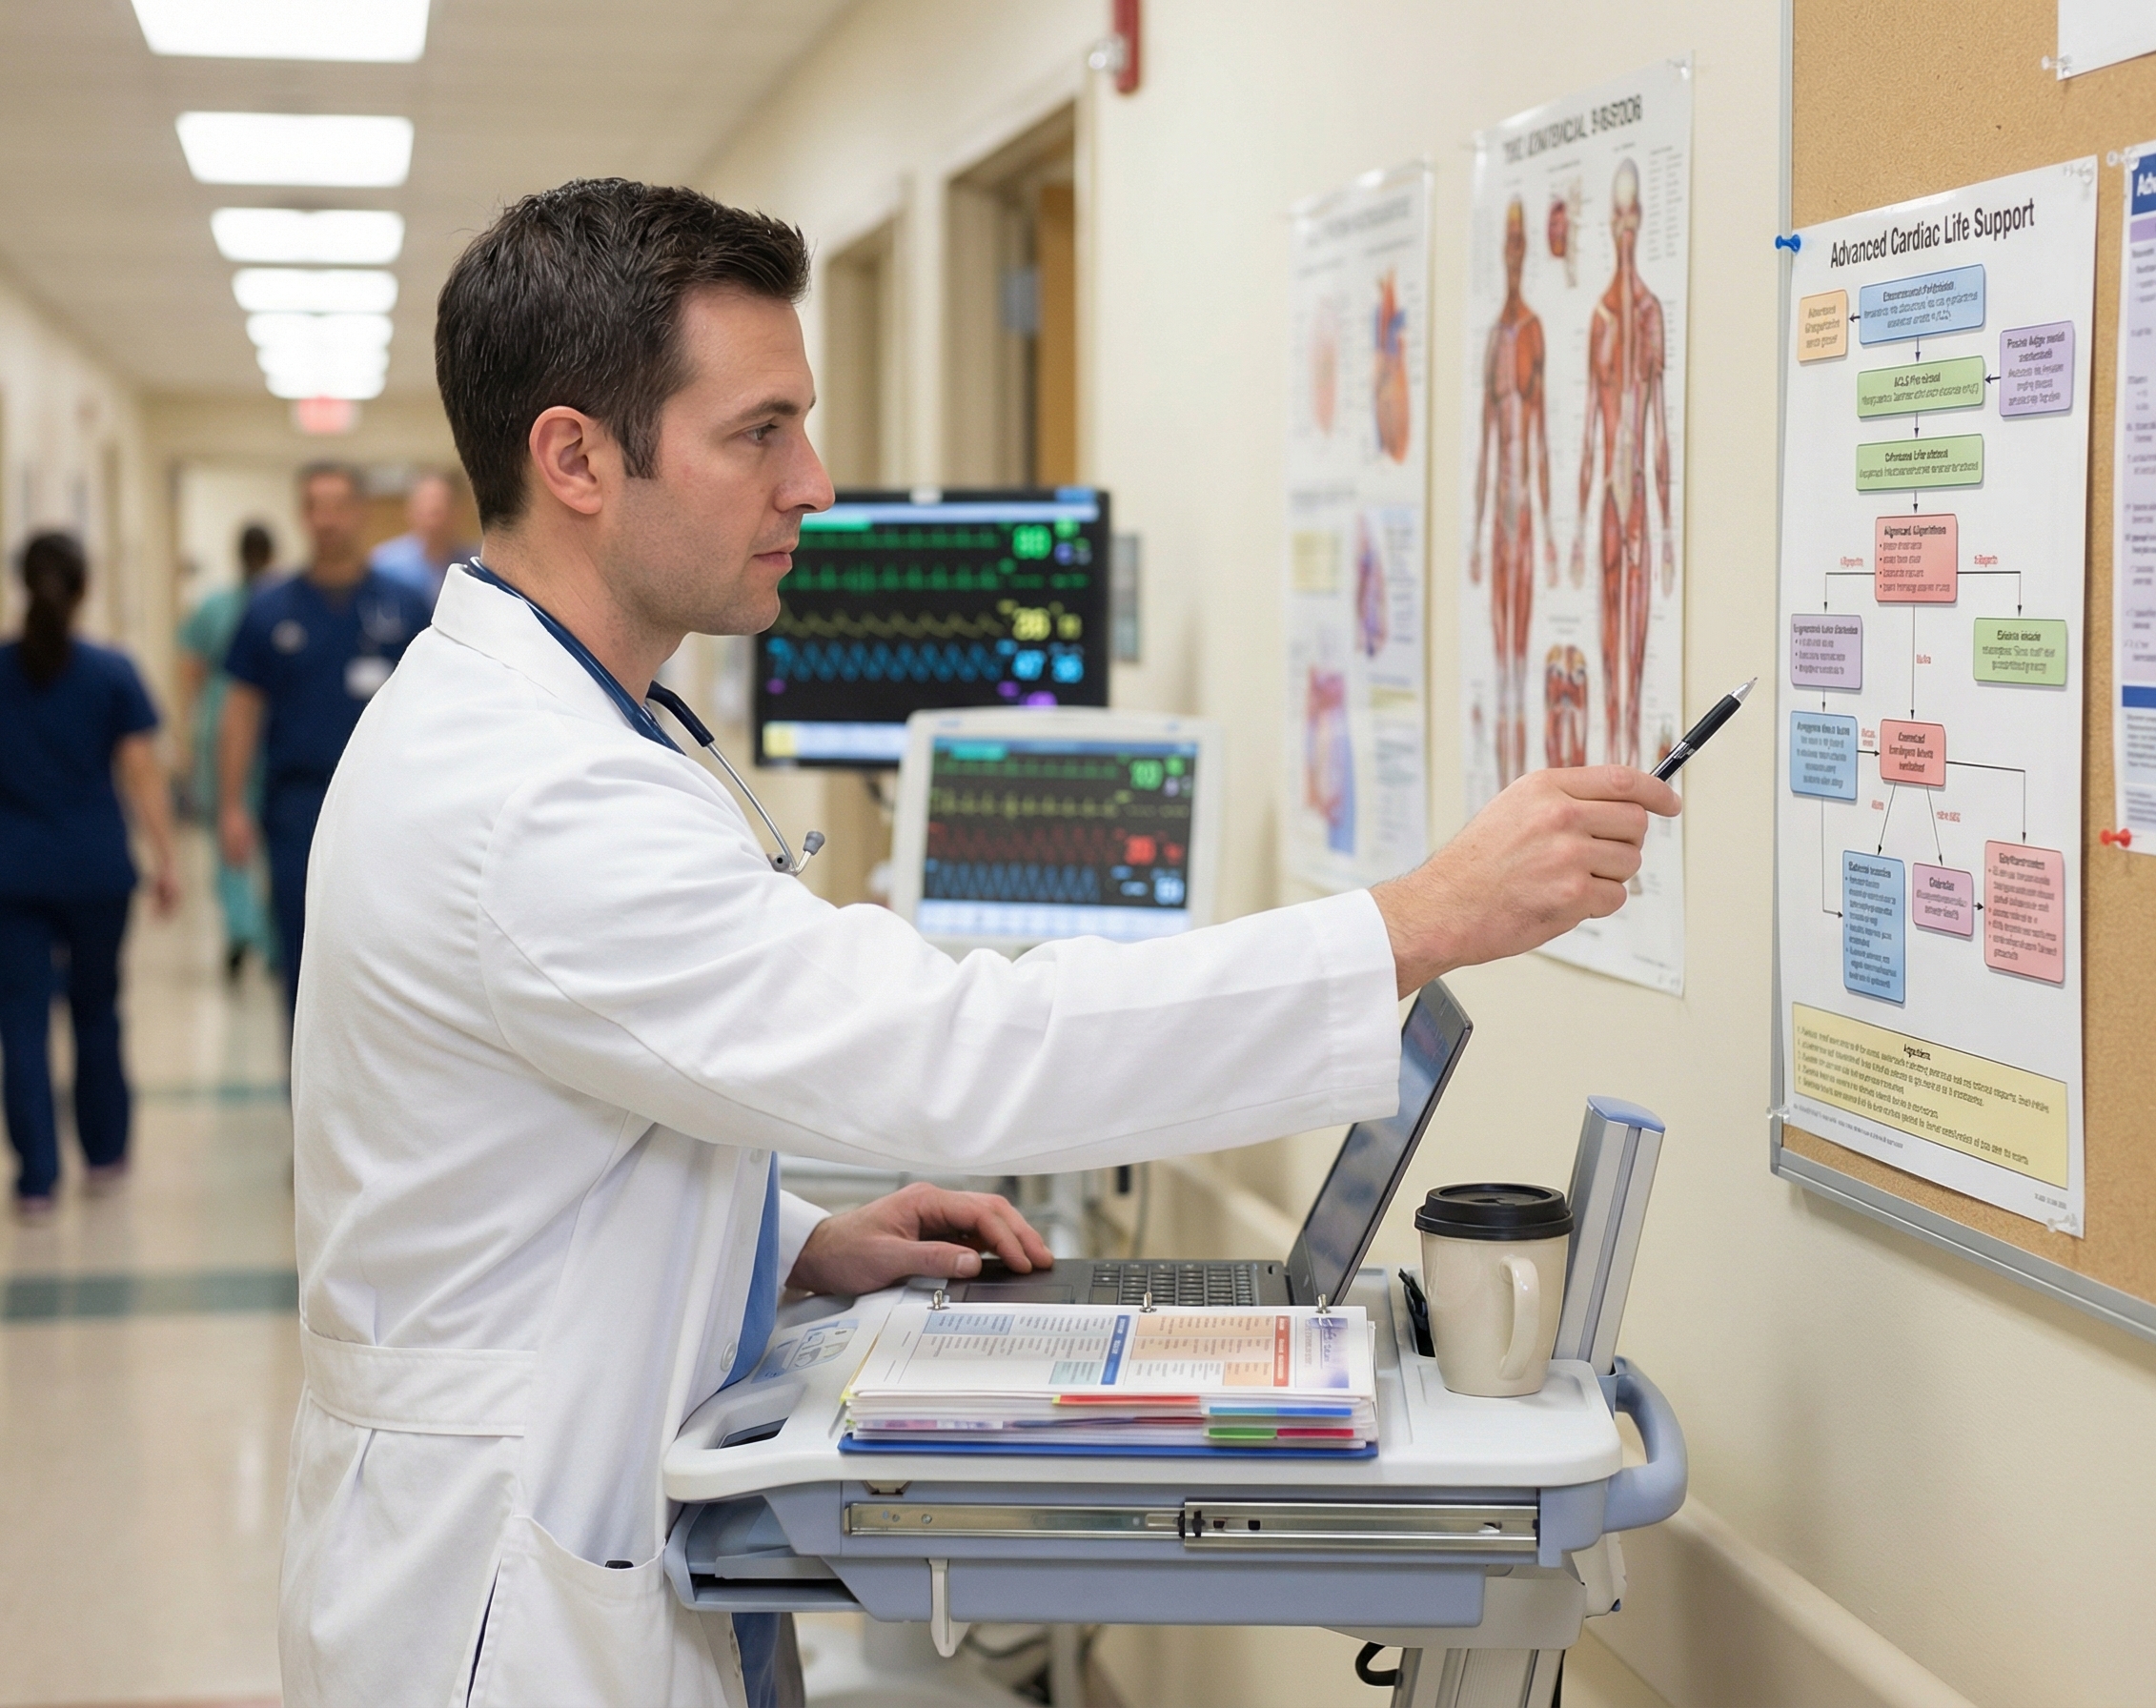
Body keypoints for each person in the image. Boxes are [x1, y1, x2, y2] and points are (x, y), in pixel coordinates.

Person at [279, 179, 1678, 1708]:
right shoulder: (530, 795)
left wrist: (797, 1243)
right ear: (576, 458)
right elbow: (951, 1052)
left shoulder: (566, 728)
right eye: (759, 432)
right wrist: (1417, 923)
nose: (813, 481)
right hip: (503, 1599)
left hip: (574, 1510)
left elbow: (540, 1150)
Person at [0, 533, 178, 1222]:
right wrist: (166, 859)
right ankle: (104, 1154)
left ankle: (36, 1179)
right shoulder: (112, 672)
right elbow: (142, 774)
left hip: (13, 875)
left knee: (20, 1022)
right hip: (96, 871)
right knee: (96, 1010)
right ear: (83, 590)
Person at [214, 465, 430, 1024]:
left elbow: (440, 704)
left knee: (393, 957)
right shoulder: (269, 609)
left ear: (359, 512)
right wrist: (232, 805)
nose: (328, 519)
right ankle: (308, 1103)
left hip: (392, 808)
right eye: (316, 506)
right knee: (301, 954)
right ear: (303, 517)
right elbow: (240, 713)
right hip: (297, 808)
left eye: (339, 505)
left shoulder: (407, 606)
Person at [1570, 157, 1675, 768]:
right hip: (1610, 501)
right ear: (1611, 222)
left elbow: (1660, 429)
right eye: (1620, 215)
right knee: (1609, 660)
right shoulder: (1603, 319)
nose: (1628, 226)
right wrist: (1582, 533)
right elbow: (1588, 428)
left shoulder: (1650, 314)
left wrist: (1664, 537)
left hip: (1637, 497)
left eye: (1635, 214)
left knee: (1634, 667)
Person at [1470, 196, 1556, 789]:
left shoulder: (1531, 332)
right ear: (1504, 252)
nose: (1515, 253)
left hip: (1524, 514)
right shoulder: (1493, 340)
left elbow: (1542, 438)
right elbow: (1483, 443)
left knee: (1520, 658)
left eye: (1521, 244)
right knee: (1499, 658)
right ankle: (1502, 791)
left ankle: (1517, 791)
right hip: (1498, 519)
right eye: (1510, 243)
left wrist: (1549, 534)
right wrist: (1476, 535)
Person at [178, 521, 275, 978]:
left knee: (229, 831)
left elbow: (192, 670)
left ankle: (241, 928)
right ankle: (273, 940)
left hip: (222, 730)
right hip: (270, 731)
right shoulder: (278, 606)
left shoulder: (216, 607)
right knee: (273, 835)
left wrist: (188, 731)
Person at [367, 468, 473, 603]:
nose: (433, 512)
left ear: (459, 511)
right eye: (425, 503)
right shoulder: (382, 563)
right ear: (410, 509)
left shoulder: (475, 566)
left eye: (441, 505)